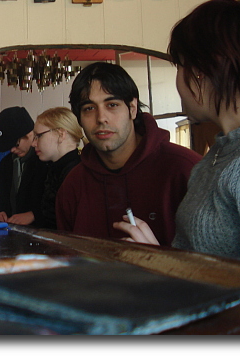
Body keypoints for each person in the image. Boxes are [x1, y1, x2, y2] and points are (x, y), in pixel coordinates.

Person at [114, 0, 240, 260]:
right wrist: (159, 256)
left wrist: (165, 265)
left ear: (201, 70)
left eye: (179, 66)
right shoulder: (219, 154)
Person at [55, 62, 202, 246]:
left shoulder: (186, 170)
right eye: (89, 109)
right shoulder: (73, 185)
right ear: (79, 119)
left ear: (132, 109)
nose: (101, 118)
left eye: (112, 105)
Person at [0, 107, 48, 224]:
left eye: (16, 144)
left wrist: (34, 215)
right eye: (8, 146)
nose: (12, 150)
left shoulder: (45, 160)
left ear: (29, 134)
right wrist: (0, 212)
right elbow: (2, 198)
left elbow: (55, 202)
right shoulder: (6, 164)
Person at [31, 107, 84, 228]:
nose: (34, 143)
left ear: (61, 134)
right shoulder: (52, 169)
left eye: (39, 136)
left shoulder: (77, 175)